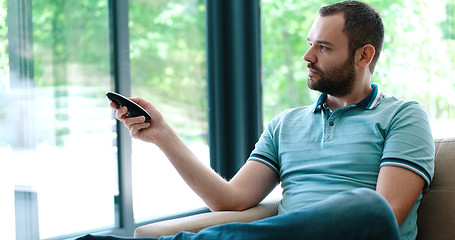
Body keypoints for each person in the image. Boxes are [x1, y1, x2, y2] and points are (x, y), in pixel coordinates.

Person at [78, 1, 434, 239]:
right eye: (310, 43)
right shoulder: (286, 124)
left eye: (323, 48)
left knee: (365, 205)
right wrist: (162, 135)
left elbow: (386, 216)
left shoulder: (403, 116)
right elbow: (231, 201)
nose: (307, 56)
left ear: (363, 55)